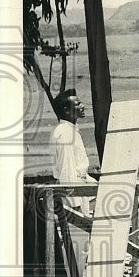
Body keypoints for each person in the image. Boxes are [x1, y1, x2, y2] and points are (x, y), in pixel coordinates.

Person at [49, 88, 99, 217]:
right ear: (66, 110)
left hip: (81, 189)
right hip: (74, 196)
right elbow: (67, 170)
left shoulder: (69, 130)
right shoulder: (65, 134)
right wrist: (75, 206)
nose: (82, 107)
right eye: (77, 104)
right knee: (79, 233)